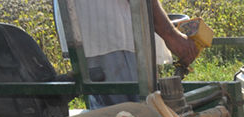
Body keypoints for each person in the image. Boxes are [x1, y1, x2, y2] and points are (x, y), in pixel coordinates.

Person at [60, 0, 199, 108]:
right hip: (118, 38)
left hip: (93, 37)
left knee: (107, 116)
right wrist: (171, 36)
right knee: (134, 116)